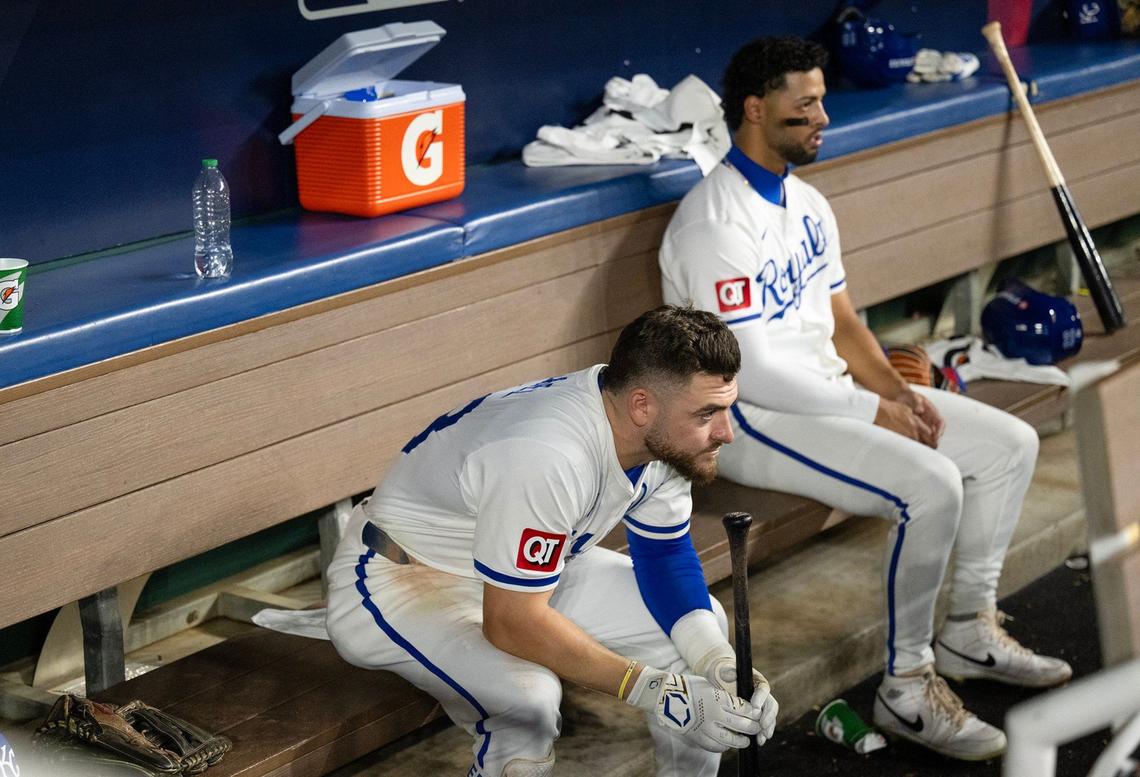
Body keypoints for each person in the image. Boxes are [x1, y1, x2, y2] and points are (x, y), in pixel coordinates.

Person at [658, 36, 1072, 762]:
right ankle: (907, 685)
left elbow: (844, 320)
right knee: (932, 484)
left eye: (823, 100)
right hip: (749, 420)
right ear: (755, 109)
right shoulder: (712, 223)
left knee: (1010, 444)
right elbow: (749, 372)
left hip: (826, 396)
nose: (823, 115)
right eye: (805, 103)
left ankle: (969, 629)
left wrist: (897, 390)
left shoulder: (808, 201)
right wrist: (873, 410)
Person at [325, 306, 779, 777]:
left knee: (694, 638)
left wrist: (718, 664)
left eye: (727, 407)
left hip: (521, 575)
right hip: (401, 579)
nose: (726, 431)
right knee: (528, 703)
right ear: (642, 405)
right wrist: (651, 689)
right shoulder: (549, 453)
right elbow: (512, 623)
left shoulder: (663, 434)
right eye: (708, 413)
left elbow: (663, 555)